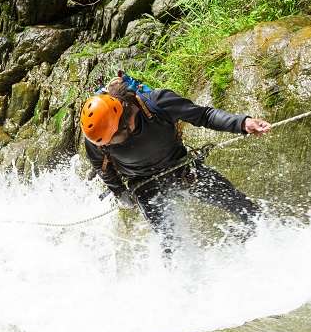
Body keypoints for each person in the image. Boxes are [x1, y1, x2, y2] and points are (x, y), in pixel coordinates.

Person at [81, 73, 271, 254]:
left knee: (241, 205)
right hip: (143, 185)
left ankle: (267, 241)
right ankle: (179, 281)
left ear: (127, 119)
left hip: (181, 168)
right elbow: (101, 166)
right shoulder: (97, 136)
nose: (111, 144)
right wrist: (120, 192)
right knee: (171, 243)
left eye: (114, 139)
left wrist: (242, 123)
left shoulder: (158, 103)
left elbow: (204, 116)